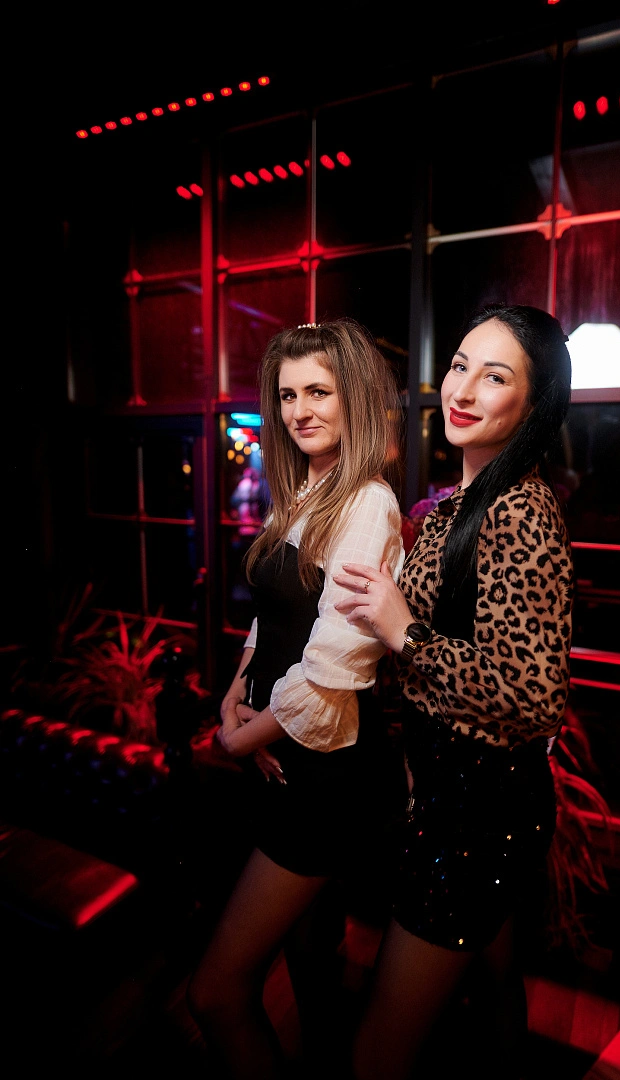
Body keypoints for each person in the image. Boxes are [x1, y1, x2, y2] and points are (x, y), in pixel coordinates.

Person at [334, 303, 574, 1080]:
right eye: (461, 365)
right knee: (494, 979)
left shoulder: (520, 512)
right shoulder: (453, 509)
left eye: (494, 376)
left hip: (478, 807)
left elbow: (534, 695)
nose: (463, 390)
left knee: (376, 1053)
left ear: (532, 406)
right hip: (449, 788)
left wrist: (405, 631)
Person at [187, 319, 404, 1079]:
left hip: (318, 772)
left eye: (319, 391)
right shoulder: (306, 491)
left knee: (215, 993)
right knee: (311, 960)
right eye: (287, 395)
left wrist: (240, 741)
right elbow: (272, 617)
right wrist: (232, 697)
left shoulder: (367, 502)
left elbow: (332, 665)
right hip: (277, 748)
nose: (300, 411)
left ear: (354, 400)